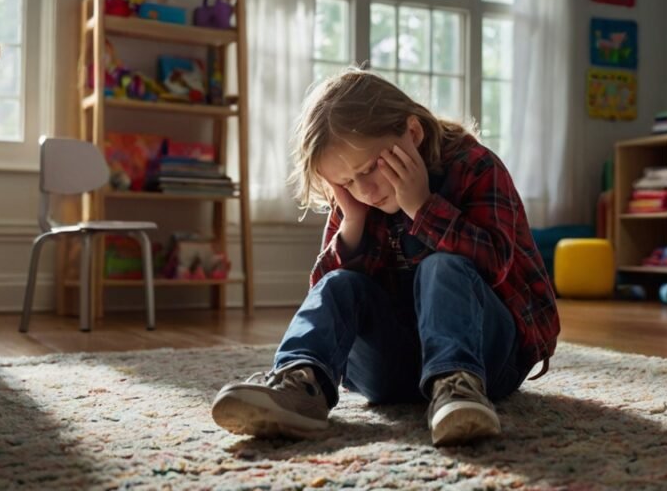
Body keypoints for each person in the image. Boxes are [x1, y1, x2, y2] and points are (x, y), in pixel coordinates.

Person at [211, 68, 559, 446]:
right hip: (394, 368)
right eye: (345, 182)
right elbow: (327, 297)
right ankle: (300, 385)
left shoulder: (475, 166)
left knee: (442, 265)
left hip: (488, 359)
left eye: (370, 168)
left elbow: (494, 265)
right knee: (339, 283)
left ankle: (456, 389)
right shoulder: (359, 198)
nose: (364, 190)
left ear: (412, 133)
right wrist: (353, 224)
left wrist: (422, 207)